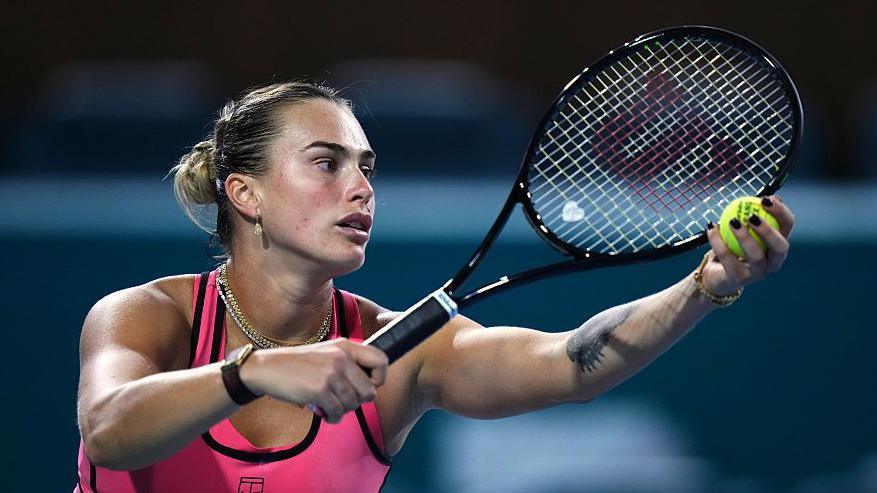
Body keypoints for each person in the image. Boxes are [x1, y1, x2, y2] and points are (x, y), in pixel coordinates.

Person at [75, 81, 795, 492]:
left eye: (367, 167)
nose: (360, 187)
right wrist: (257, 368)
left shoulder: (403, 353)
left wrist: (705, 285)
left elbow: (572, 362)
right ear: (245, 193)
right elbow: (109, 431)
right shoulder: (146, 316)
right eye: (327, 163)